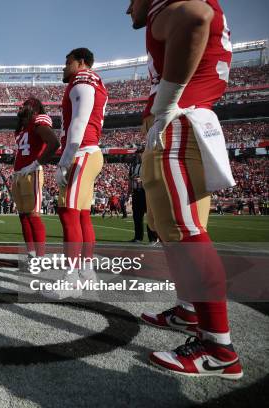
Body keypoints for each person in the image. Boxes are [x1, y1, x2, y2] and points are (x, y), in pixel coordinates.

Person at [128, 0, 242, 379]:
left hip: (180, 123)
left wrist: (164, 105)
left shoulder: (170, 4)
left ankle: (218, 346)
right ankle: (189, 310)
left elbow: (195, 17)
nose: (128, 8)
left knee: (185, 230)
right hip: (188, 119)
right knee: (172, 230)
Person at [56, 48, 107, 279]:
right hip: (89, 151)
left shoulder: (83, 79)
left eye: (68, 62)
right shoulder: (93, 81)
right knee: (83, 214)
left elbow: (79, 122)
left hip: (83, 151)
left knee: (68, 211)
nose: (65, 67)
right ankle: (86, 270)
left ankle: (72, 275)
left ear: (81, 62)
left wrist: (64, 161)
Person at [11, 98, 59, 261]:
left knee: (33, 215)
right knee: (23, 215)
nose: (22, 106)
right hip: (18, 173)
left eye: (26, 104)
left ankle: (40, 256)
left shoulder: (38, 120)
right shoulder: (22, 127)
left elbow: (54, 143)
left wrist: (36, 163)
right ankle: (31, 253)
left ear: (35, 108)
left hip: (32, 172)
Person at [129, 151, 159, 243]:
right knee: (137, 216)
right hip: (136, 192)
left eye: (140, 153)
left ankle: (153, 238)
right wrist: (129, 191)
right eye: (137, 154)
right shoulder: (134, 166)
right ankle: (138, 237)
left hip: (146, 192)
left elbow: (154, 177)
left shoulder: (150, 165)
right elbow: (129, 179)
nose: (138, 155)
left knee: (150, 216)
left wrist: (142, 180)